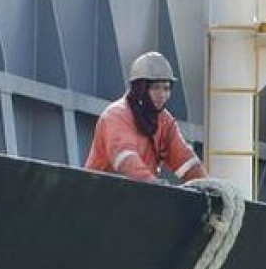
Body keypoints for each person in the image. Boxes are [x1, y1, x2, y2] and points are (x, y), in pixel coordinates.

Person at [85, 51, 207, 183]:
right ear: (139, 89)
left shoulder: (164, 121)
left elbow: (184, 158)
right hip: (100, 196)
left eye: (166, 88)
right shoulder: (116, 116)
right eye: (156, 88)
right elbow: (125, 160)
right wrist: (154, 185)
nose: (162, 95)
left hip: (137, 195)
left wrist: (208, 186)